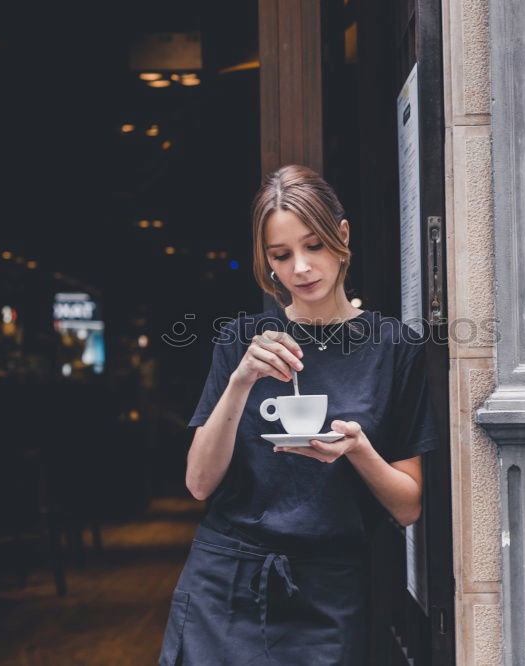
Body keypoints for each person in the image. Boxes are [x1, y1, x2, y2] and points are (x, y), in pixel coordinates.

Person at [157, 164, 441, 665]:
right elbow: (199, 483)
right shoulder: (243, 342)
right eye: (281, 255)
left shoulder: (393, 348)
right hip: (225, 581)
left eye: (314, 246)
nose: (301, 268)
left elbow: (408, 507)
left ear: (342, 237)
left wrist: (358, 450)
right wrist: (242, 379)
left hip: (328, 591)